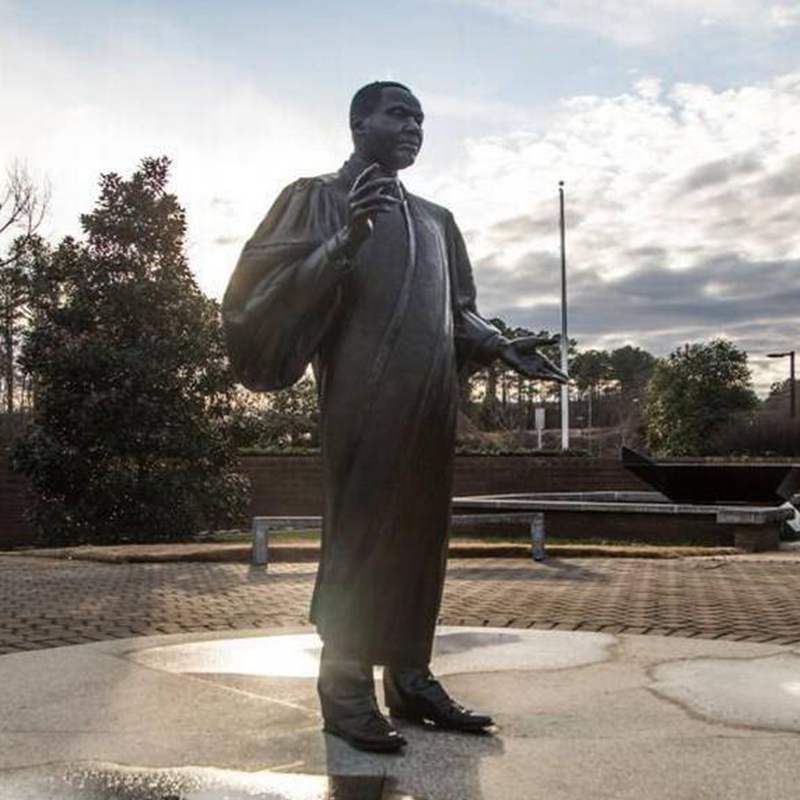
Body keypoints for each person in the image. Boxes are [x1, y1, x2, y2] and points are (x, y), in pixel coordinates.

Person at [222, 81, 566, 753]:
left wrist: (498, 343)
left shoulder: (437, 219)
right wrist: (341, 241)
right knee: (363, 528)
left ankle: (410, 679)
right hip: (361, 395)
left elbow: (455, 310)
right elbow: (256, 299)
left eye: (420, 118)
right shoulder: (315, 197)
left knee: (420, 532)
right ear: (358, 123)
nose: (412, 127)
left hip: (431, 397)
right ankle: (344, 685)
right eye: (397, 113)